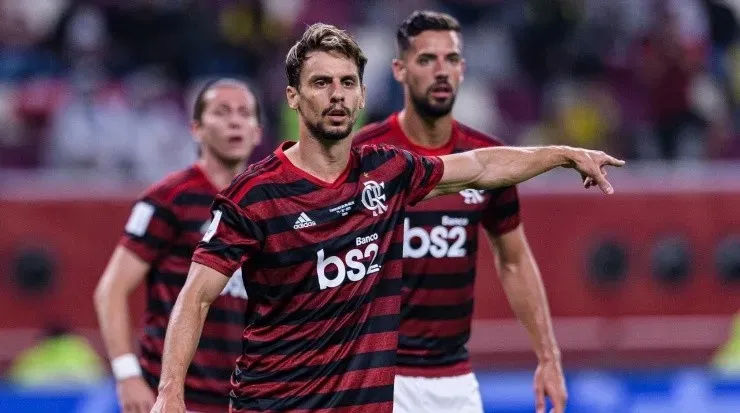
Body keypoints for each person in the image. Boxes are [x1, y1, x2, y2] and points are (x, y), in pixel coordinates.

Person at [150, 23, 623, 413]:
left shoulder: (387, 170)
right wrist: (171, 390)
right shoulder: (253, 195)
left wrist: (564, 154)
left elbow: (480, 165)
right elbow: (194, 298)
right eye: (321, 83)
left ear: (360, 97)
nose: (336, 95)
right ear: (293, 97)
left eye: (347, 83)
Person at [353, 11, 566, 413]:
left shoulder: (488, 158)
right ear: (399, 69)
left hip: (455, 382)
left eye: (450, 59)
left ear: (463, 69)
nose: (441, 71)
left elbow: (515, 261)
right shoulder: (363, 156)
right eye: (426, 59)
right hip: (379, 376)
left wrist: (548, 355)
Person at [94, 78, 262, 413]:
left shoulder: (269, 201)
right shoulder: (168, 199)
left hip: (248, 398)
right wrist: (127, 374)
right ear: (196, 129)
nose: (234, 121)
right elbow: (110, 290)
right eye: (222, 112)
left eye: (245, 113)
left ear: (257, 132)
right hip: (178, 398)